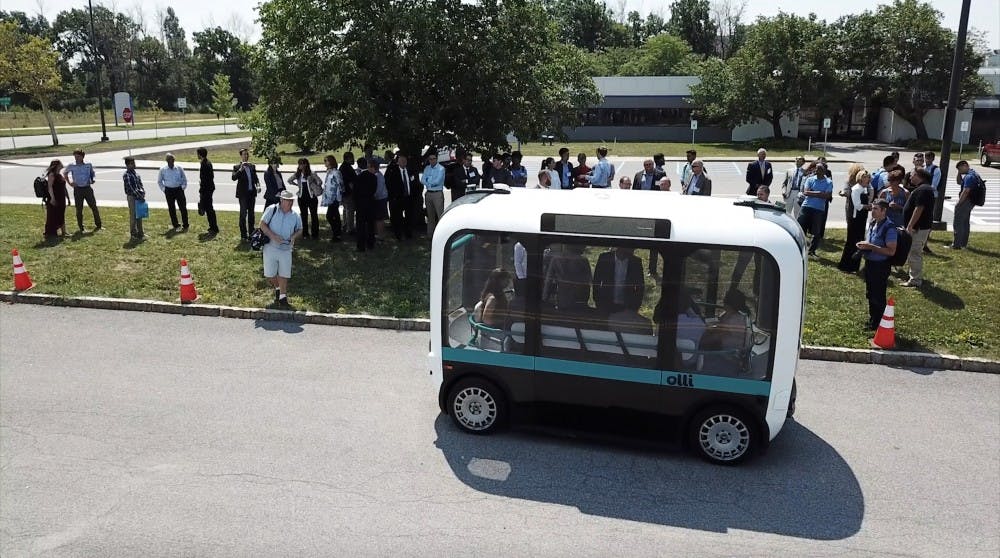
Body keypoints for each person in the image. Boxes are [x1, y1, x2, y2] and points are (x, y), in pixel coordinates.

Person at [857, 199, 897, 331]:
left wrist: (871, 247)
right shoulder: (873, 223)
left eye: (875, 209)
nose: (872, 211)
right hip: (870, 263)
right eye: (872, 208)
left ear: (884, 211)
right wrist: (864, 245)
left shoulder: (889, 227)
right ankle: (872, 320)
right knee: (870, 293)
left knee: (878, 295)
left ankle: (878, 322)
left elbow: (891, 251)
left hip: (880, 266)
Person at [260, 190, 303, 309]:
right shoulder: (272, 209)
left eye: (291, 201)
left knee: (284, 273)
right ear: (281, 200)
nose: (290, 203)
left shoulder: (295, 215)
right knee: (270, 274)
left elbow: (300, 229)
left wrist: (293, 237)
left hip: (286, 249)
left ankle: (283, 297)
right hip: (271, 247)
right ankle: (278, 288)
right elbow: (262, 224)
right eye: (288, 201)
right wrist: (273, 236)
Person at [901, 168, 935, 288]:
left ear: (919, 176)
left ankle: (915, 280)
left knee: (914, 253)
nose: (910, 177)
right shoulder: (924, 189)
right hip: (918, 227)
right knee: (912, 252)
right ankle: (913, 275)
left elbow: (919, 208)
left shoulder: (923, 190)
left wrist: (910, 225)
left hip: (918, 228)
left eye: (912, 175)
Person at [837, 167, 873, 273]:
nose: (868, 179)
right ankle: (846, 265)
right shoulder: (856, 189)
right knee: (852, 241)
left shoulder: (865, 188)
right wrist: (869, 206)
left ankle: (854, 266)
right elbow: (858, 206)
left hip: (862, 218)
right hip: (855, 218)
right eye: (866, 177)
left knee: (859, 240)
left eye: (868, 177)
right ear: (860, 179)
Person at [592, 247, 644, 316]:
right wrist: (598, 301)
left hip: (627, 307)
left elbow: (640, 286)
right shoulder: (604, 258)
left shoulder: (636, 262)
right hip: (605, 305)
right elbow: (596, 281)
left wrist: (635, 306)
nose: (633, 250)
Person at [542, 244, 593, 315]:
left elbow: (548, 280)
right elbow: (589, 281)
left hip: (562, 297)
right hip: (579, 298)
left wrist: (545, 298)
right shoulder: (583, 260)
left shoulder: (556, 259)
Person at [797, 163, 833, 257]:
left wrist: (813, 192)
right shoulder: (810, 179)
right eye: (816, 168)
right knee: (800, 228)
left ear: (824, 170)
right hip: (806, 206)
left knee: (816, 232)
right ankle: (798, 248)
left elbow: (827, 195)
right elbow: (806, 192)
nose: (816, 170)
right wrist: (820, 193)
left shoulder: (829, 182)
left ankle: (811, 251)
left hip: (819, 209)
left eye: (819, 168)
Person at [62, 149, 102, 232]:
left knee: (94, 206)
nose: (76, 158)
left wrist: (92, 179)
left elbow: (92, 174)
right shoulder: (72, 165)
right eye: (75, 156)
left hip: (87, 188)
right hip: (78, 189)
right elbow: (65, 173)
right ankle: (81, 227)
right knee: (79, 209)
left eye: (78, 156)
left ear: (82, 157)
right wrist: (70, 183)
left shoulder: (88, 164)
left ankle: (99, 225)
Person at [949, 160, 981, 250]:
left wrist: (959, 203)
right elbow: (959, 182)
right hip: (970, 202)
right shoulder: (973, 174)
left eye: (960, 169)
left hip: (966, 201)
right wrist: (959, 172)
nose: (960, 171)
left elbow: (966, 191)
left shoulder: (970, 176)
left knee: (958, 222)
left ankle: (956, 244)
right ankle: (963, 244)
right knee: (965, 223)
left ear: (965, 165)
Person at [287, 158, 322, 239]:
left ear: (305, 164)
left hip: (312, 198)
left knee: (314, 216)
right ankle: (305, 234)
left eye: (301, 164)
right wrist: (297, 185)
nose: (299, 165)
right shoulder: (297, 174)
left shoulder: (311, 173)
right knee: (303, 216)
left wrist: (313, 185)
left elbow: (320, 182)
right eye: (299, 164)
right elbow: (289, 180)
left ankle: (315, 234)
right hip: (301, 198)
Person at [386, 153, 418, 240]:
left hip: (409, 197)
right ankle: (398, 235)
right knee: (397, 217)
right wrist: (393, 197)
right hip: (397, 198)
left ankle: (408, 233)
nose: (403, 162)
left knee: (409, 216)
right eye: (401, 161)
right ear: (398, 162)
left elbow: (415, 183)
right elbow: (388, 184)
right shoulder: (392, 170)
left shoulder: (410, 170)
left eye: (405, 161)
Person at [232, 148, 260, 241]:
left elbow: (255, 178)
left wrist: (258, 185)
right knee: (243, 214)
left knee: (251, 214)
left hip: (252, 194)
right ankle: (243, 235)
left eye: (247, 154)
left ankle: (251, 233)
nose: (246, 156)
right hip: (243, 195)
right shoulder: (236, 167)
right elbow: (233, 178)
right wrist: (240, 169)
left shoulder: (252, 166)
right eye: (244, 154)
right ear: (241, 156)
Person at [157, 153, 189, 231]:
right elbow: (159, 181)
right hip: (169, 190)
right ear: (167, 161)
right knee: (172, 208)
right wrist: (164, 190)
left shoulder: (179, 168)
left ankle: (185, 224)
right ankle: (175, 224)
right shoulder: (163, 170)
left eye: (172, 159)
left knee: (183, 208)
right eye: (169, 160)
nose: (171, 161)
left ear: (174, 160)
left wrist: (183, 187)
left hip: (179, 190)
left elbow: (184, 179)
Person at [354, 158, 379, 251]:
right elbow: (373, 190)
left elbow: (355, 190)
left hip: (360, 203)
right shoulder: (373, 177)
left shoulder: (359, 176)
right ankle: (370, 243)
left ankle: (360, 246)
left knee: (360, 225)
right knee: (370, 225)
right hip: (370, 202)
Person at [421, 153, 446, 237]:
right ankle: (430, 234)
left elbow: (437, 182)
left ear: (437, 159)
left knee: (440, 215)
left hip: (437, 194)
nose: (432, 160)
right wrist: (429, 183)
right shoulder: (427, 168)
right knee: (430, 216)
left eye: (433, 158)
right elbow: (422, 180)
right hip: (428, 194)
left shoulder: (441, 169)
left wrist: (428, 182)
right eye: (430, 159)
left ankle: (442, 234)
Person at [43, 159, 70, 238]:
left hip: (62, 198)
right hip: (55, 198)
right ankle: (51, 232)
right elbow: (50, 187)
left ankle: (64, 232)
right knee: (54, 215)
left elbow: (64, 187)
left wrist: (67, 198)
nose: (62, 164)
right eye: (60, 163)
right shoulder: (52, 174)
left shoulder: (59, 174)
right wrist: (52, 198)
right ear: (57, 165)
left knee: (61, 214)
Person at [122, 157, 146, 241]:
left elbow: (140, 184)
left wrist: (143, 193)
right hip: (132, 197)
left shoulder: (136, 174)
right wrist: (139, 195)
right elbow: (131, 188)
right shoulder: (127, 175)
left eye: (134, 163)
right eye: (132, 163)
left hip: (139, 196)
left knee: (140, 215)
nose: (134, 164)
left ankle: (141, 233)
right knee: (133, 215)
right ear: (128, 165)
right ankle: (133, 234)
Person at [196, 147, 219, 235]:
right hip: (209, 189)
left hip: (206, 190)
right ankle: (212, 226)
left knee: (209, 209)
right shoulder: (207, 162)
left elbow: (206, 179)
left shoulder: (205, 164)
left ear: (200, 154)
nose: (197, 155)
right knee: (209, 208)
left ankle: (214, 227)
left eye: (197, 154)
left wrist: (201, 188)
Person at [321, 155, 343, 242]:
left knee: (330, 216)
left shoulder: (336, 172)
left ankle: (337, 233)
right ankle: (337, 234)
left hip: (335, 198)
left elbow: (340, 185)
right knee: (335, 216)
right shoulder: (329, 172)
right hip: (329, 198)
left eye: (326, 161)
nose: (325, 163)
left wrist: (339, 197)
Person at [339, 152, 358, 235]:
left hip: (344, 192)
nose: (353, 159)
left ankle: (345, 225)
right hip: (348, 193)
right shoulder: (347, 168)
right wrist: (354, 192)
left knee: (346, 209)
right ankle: (350, 228)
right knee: (350, 210)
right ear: (348, 158)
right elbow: (350, 182)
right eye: (352, 158)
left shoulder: (344, 167)